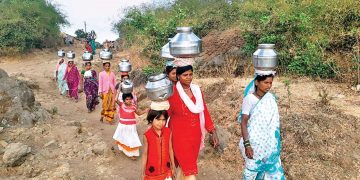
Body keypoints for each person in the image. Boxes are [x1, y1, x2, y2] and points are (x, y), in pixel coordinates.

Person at [167, 64, 219, 180]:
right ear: (178, 76)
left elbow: (204, 110)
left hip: (195, 135)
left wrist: (212, 131)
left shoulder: (196, 90)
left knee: (184, 166)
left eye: (191, 74)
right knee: (189, 169)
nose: (189, 77)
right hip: (179, 136)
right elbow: (166, 114)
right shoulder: (172, 92)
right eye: (185, 75)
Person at [238, 72, 285, 179]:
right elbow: (244, 122)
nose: (268, 85)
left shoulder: (270, 98)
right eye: (265, 82)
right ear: (256, 82)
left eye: (270, 83)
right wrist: (247, 145)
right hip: (255, 145)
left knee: (274, 173)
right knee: (252, 173)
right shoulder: (250, 99)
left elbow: (274, 123)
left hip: (269, 145)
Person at [113, 93, 148, 159]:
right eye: (127, 99)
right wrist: (119, 89)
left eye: (130, 99)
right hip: (123, 125)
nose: (129, 100)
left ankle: (132, 154)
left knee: (132, 139)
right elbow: (115, 99)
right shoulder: (121, 105)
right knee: (124, 139)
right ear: (124, 100)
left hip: (131, 126)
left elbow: (139, 113)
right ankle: (126, 151)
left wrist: (146, 110)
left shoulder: (133, 106)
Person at [141, 110, 175, 180]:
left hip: (166, 169)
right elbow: (145, 154)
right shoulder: (147, 135)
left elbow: (170, 149)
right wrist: (142, 172)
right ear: (151, 120)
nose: (161, 123)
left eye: (163, 120)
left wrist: (173, 166)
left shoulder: (169, 132)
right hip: (152, 171)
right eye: (158, 119)